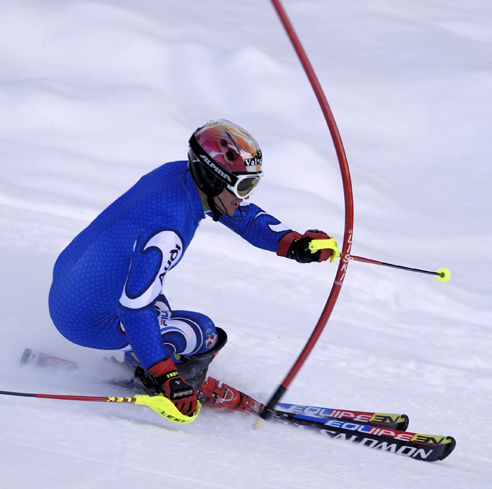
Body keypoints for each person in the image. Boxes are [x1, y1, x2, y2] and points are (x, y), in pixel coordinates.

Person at [48, 119, 333, 417]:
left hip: (72, 288)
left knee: (159, 308)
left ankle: (144, 359)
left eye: (252, 184)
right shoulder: (167, 230)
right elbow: (134, 309)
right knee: (203, 333)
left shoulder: (178, 176)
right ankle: (155, 378)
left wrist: (293, 243)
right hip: (90, 322)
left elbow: (242, 215)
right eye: (243, 186)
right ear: (212, 178)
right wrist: (166, 376)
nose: (246, 196)